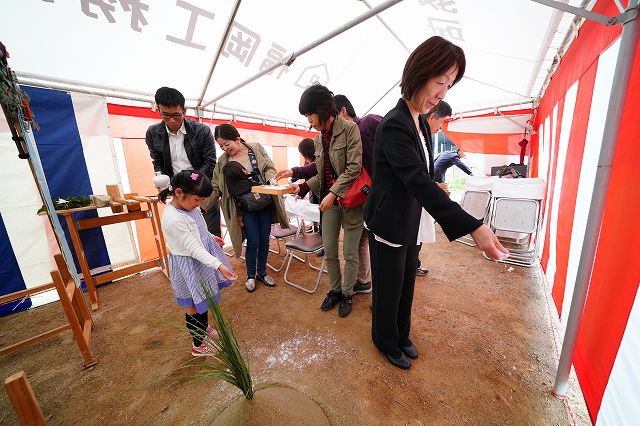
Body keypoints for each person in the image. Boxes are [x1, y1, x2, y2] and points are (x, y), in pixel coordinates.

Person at [364, 36, 509, 369]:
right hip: (389, 221)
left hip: (410, 219)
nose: (443, 93)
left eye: (450, 85)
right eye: (440, 82)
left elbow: (422, 179)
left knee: (407, 282)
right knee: (389, 287)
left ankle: (401, 334)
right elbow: (416, 180)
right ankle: (385, 340)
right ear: (419, 73)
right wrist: (473, 225)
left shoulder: (420, 123)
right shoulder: (395, 124)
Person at [293, 84, 364, 318]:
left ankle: (347, 293)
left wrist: (334, 192)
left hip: (351, 201)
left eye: (309, 115)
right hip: (330, 202)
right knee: (331, 250)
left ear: (322, 110)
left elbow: (354, 167)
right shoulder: (317, 140)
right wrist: (302, 186)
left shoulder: (351, 129)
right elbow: (321, 175)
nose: (309, 120)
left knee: (351, 252)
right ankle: (334, 289)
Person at [160, 170, 238, 357]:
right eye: (197, 200)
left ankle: (203, 328)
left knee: (203, 298)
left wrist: (210, 237)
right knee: (195, 304)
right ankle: (198, 344)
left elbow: (197, 230)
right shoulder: (174, 219)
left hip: (200, 262)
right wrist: (219, 265)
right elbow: (193, 248)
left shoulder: (189, 208)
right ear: (178, 193)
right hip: (190, 265)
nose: (199, 204)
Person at [204, 123, 290, 293]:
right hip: (244, 208)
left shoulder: (255, 149)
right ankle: (251, 275)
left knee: (265, 239)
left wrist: (272, 179)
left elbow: (269, 168)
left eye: (227, 144)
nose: (225, 148)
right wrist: (201, 204)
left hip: (264, 201)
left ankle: (262, 273)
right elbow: (216, 186)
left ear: (237, 139)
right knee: (253, 241)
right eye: (221, 146)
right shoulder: (222, 161)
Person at [145, 87, 221, 237]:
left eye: (176, 115)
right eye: (166, 115)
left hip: (202, 189)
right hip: (178, 192)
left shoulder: (201, 131)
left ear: (184, 110)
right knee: (184, 235)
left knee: (209, 234)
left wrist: (193, 183)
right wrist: (163, 181)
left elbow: (210, 162)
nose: (172, 120)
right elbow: (157, 161)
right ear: (158, 110)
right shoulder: (153, 133)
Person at [334, 94, 382, 295]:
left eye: (334, 118)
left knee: (377, 243)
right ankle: (364, 280)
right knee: (361, 241)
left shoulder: (369, 123)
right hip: (362, 199)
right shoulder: (345, 138)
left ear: (343, 112)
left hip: (380, 197)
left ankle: (375, 285)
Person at [416, 100, 453, 277]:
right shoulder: (413, 135)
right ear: (432, 117)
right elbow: (414, 175)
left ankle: (414, 263)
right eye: (442, 121)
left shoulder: (425, 137)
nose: (441, 127)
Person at [274, 138, 319, 204]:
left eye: (303, 154)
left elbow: (313, 169)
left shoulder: (319, 160)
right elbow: (308, 180)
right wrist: (301, 194)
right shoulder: (307, 162)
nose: (304, 157)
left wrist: (293, 171)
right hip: (314, 195)